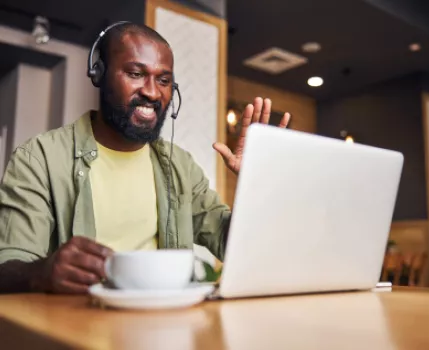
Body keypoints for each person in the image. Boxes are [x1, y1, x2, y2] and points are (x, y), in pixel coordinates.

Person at [0, 23, 290, 294]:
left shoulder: (180, 166)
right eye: (136, 74)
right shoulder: (39, 158)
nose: (152, 92)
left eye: (163, 80)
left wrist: (258, 185)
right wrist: (41, 272)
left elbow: (232, 246)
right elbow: (8, 265)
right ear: (98, 74)